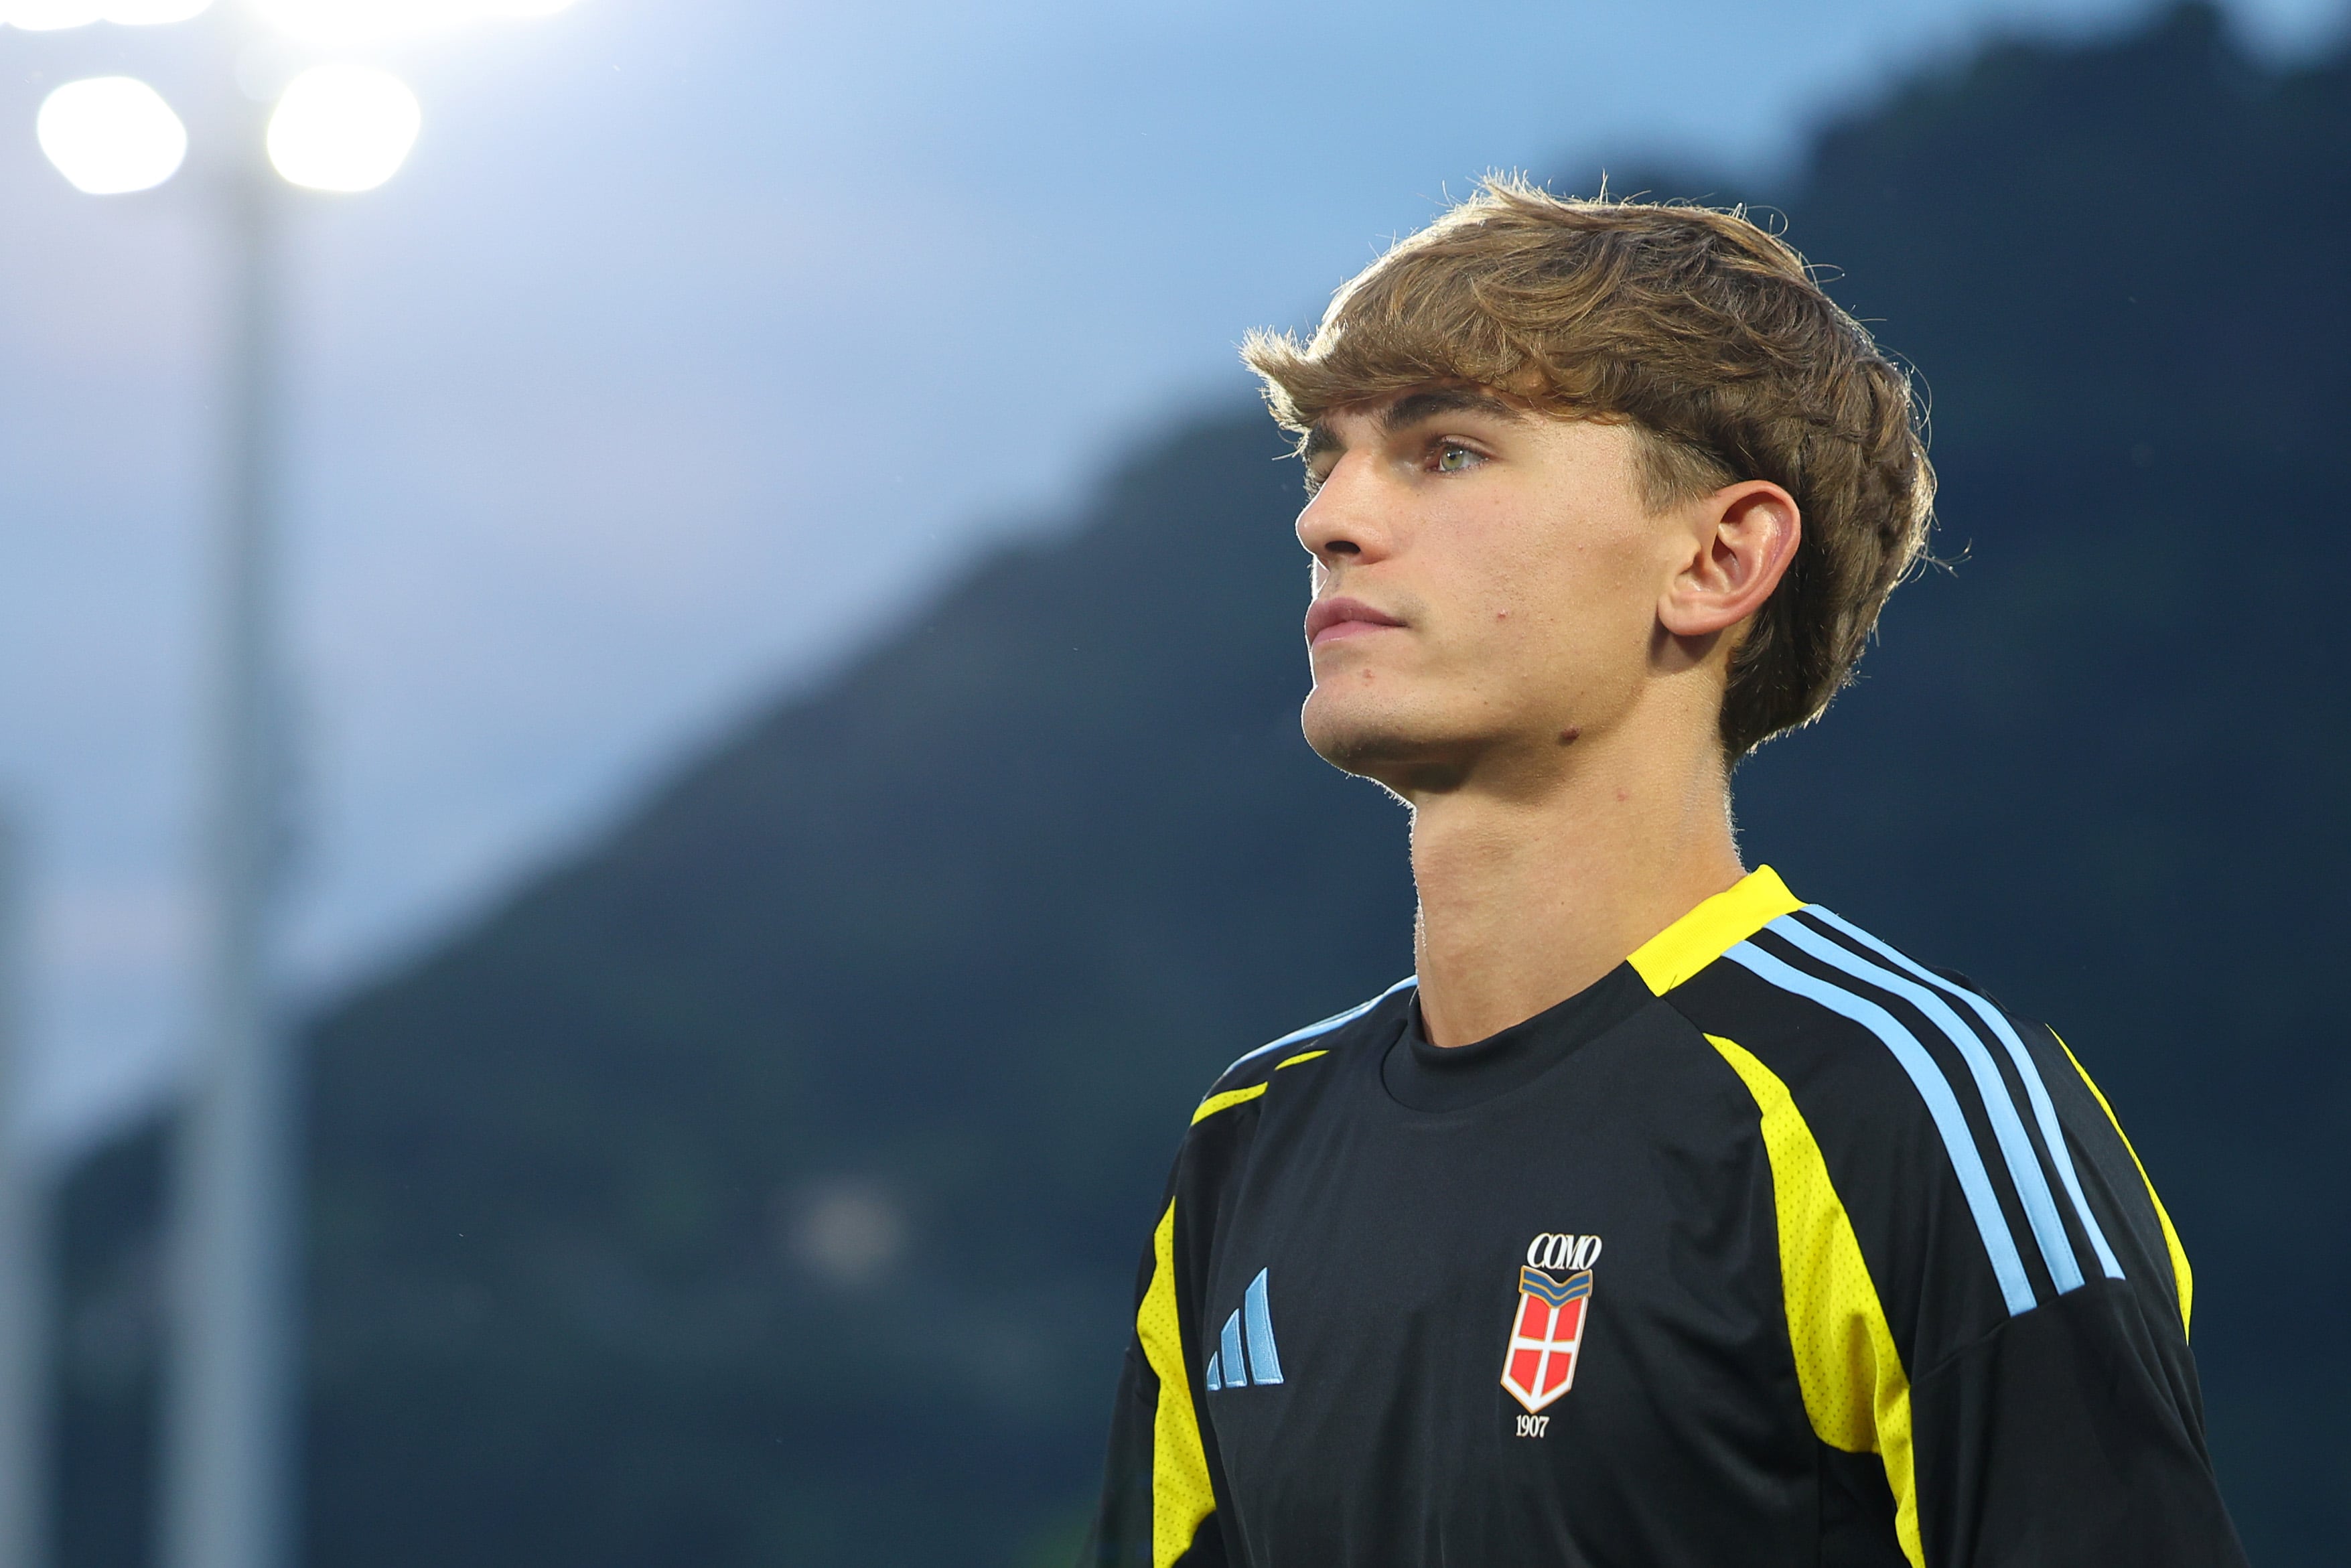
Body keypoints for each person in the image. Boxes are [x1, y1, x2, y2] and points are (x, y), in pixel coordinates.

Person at [1078, 180, 2244, 1567]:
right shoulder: (1247, 1143)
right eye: (1324, 457)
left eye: (1446, 451)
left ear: (1718, 556)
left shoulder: (1909, 1106)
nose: (1328, 517)